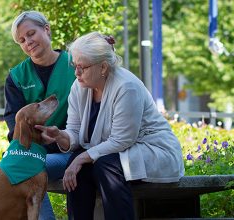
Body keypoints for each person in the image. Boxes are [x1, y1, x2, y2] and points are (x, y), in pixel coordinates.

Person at [35, 32, 185, 220]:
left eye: (82, 67)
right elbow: (74, 132)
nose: (76, 73)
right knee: (83, 169)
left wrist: (80, 159)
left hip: (151, 150)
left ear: (103, 67)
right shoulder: (79, 86)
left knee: (104, 166)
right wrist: (60, 136)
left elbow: (122, 140)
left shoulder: (126, 87)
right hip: (113, 152)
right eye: (75, 66)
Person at [3, 11, 76, 220]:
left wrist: (60, 137)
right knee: (16, 167)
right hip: (35, 150)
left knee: (29, 168)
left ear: (47, 29)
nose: (28, 42)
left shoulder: (75, 66)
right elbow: (13, 123)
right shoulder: (17, 76)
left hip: (73, 148)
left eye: (31, 33)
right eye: (21, 40)